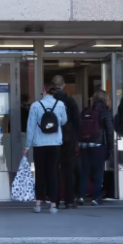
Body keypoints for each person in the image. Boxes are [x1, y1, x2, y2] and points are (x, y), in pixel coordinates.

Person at [24, 83, 67, 213]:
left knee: (40, 173)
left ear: (44, 90)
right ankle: (53, 205)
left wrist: (27, 146)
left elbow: (30, 128)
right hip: (55, 143)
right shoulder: (60, 105)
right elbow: (64, 121)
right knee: (53, 173)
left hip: (39, 144)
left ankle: (38, 204)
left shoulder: (35, 106)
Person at [78, 90, 114, 207]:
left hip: (83, 145)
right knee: (98, 173)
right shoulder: (105, 112)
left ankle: (81, 196)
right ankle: (96, 197)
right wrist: (110, 148)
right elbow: (109, 131)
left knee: (85, 172)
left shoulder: (85, 111)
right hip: (98, 146)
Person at [52, 75, 81, 209]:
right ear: (63, 85)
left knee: (54, 170)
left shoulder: (50, 100)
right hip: (69, 139)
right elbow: (77, 120)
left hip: (52, 139)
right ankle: (69, 200)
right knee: (68, 170)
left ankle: (55, 200)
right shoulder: (70, 100)